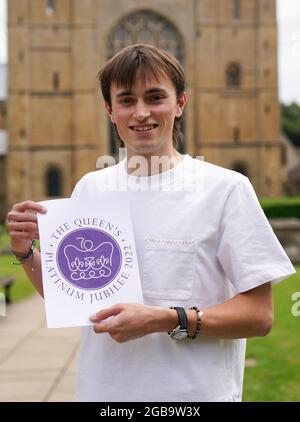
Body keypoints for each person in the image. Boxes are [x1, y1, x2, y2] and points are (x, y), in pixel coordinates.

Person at [7, 44, 295, 402]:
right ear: (109, 110)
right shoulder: (91, 188)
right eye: (126, 100)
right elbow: (71, 296)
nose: (141, 113)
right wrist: (25, 251)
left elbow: (259, 315)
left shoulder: (226, 189)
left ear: (180, 104)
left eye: (155, 97)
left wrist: (164, 319)